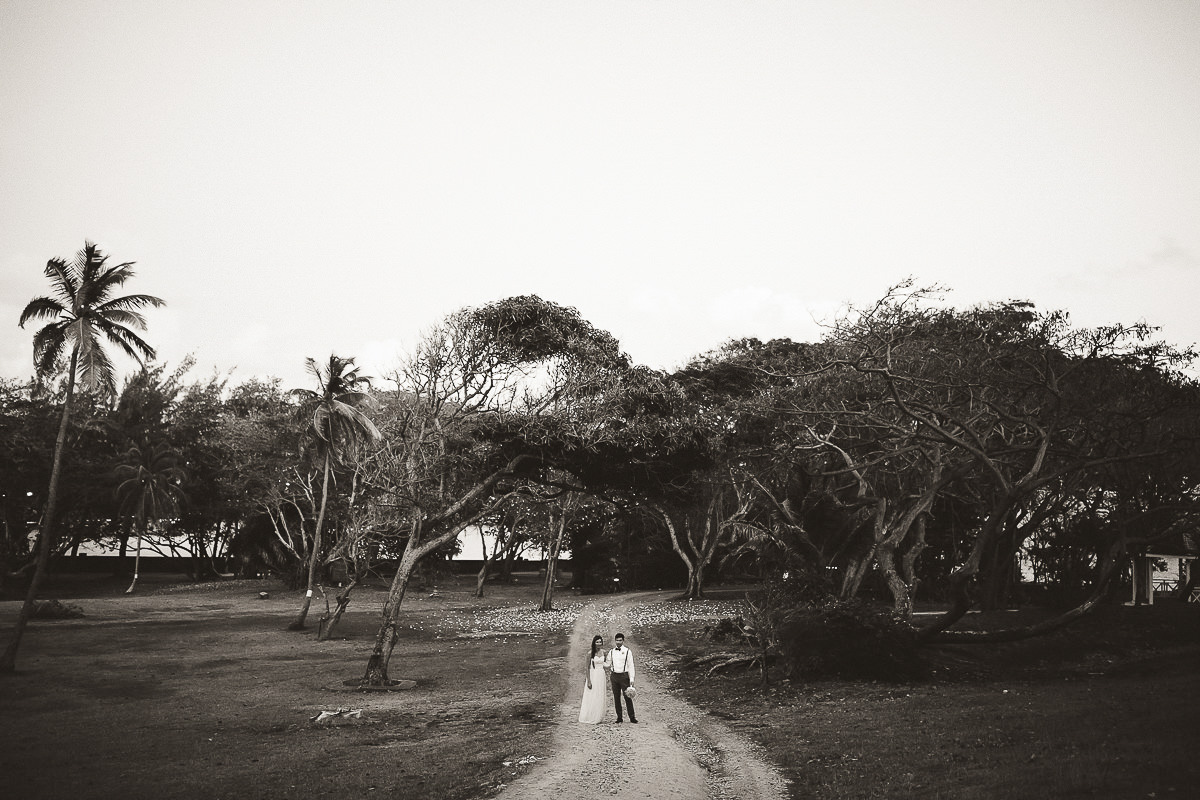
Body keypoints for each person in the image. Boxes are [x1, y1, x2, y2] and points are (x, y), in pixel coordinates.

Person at [604, 632, 637, 723]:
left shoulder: (627, 651)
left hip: (624, 675)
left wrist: (632, 679)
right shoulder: (611, 651)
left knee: (628, 697)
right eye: (617, 640)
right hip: (614, 675)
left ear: (623, 641)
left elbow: (631, 665)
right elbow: (607, 663)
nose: (618, 642)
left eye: (620, 640)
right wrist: (598, 662)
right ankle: (619, 717)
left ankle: (632, 717)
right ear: (615, 641)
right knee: (616, 697)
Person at [578, 634, 608, 724]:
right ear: (594, 643)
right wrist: (589, 680)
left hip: (601, 675)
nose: (599, 643)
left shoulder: (604, 652)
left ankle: (598, 715)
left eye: (600, 642)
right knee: (592, 695)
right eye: (597, 642)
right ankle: (590, 715)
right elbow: (587, 667)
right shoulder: (590, 654)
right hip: (593, 674)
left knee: (600, 694)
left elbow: (606, 663)